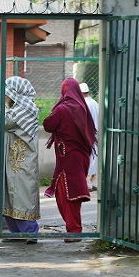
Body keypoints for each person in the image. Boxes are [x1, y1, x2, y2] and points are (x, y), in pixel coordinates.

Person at [0, 76, 40, 244]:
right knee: (8, 193)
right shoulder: (12, 108)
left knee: (21, 193)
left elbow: (5, 122)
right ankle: (15, 232)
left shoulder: (26, 109)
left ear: (16, 93)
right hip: (8, 159)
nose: (5, 96)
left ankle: (30, 232)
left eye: (8, 93)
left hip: (21, 160)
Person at [43, 78, 96, 242]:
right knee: (71, 193)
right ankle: (73, 228)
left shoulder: (62, 110)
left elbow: (47, 125)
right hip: (82, 156)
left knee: (66, 194)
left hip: (68, 158)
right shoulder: (82, 108)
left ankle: (74, 230)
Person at [79, 82, 99, 191]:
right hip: (96, 135)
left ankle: (87, 184)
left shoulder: (83, 105)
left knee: (86, 159)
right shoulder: (95, 103)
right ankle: (94, 182)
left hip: (87, 135)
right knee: (95, 158)